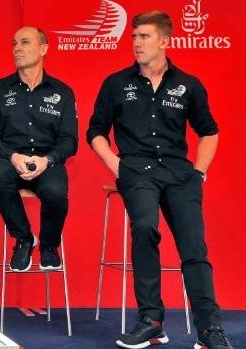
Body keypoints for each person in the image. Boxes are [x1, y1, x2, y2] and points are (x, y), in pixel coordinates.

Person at [87, 10, 233, 349]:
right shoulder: (116, 84)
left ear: (164, 41)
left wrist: (199, 172)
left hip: (180, 174)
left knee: (194, 248)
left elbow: (209, 132)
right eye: (134, 37)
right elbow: (95, 131)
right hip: (136, 170)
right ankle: (151, 320)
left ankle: (209, 329)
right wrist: (116, 164)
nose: (136, 43)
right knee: (145, 228)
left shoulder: (188, 85)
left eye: (144, 37)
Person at [0, 26, 78, 272]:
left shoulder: (62, 92)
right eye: (14, 43)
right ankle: (23, 238)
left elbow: (69, 140)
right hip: (10, 158)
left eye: (25, 42)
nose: (17, 48)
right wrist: (13, 156)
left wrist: (48, 160)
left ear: (44, 49)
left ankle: (48, 245)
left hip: (47, 161)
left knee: (56, 191)